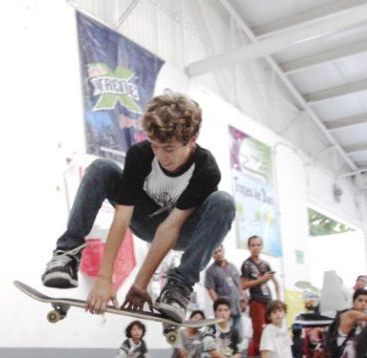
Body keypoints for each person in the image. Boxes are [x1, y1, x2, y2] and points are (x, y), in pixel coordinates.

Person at [41, 93, 236, 325]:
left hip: (181, 231)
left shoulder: (206, 169)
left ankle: (180, 285)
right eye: (156, 147)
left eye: (169, 148)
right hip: (142, 220)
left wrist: (140, 284)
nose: (162, 156)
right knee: (102, 167)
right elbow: (122, 218)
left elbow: (169, 229)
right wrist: (105, 278)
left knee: (224, 201)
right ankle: (67, 253)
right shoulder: (141, 155)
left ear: (192, 140)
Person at [241, 236, 280, 356]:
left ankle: (272, 356)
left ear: (262, 246)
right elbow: (244, 285)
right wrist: (261, 279)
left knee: (272, 329)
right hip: (256, 301)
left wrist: (278, 301)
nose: (256, 248)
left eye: (258, 245)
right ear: (249, 247)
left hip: (269, 301)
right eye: (253, 245)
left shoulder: (266, 264)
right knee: (258, 332)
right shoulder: (246, 264)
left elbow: (276, 282)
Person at [205, 244, 247, 343]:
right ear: (212, 255)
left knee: (239, 337)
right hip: (225, 312)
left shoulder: (232, 266)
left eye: (220, 251)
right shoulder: (210, 271)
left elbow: (239, 285)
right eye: (215, 252)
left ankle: (236, 355)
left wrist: (243, 298)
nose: (218, 254)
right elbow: (210, 290)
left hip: (237, 308)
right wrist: (218, 307)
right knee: (226, 338)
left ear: (223, 250)